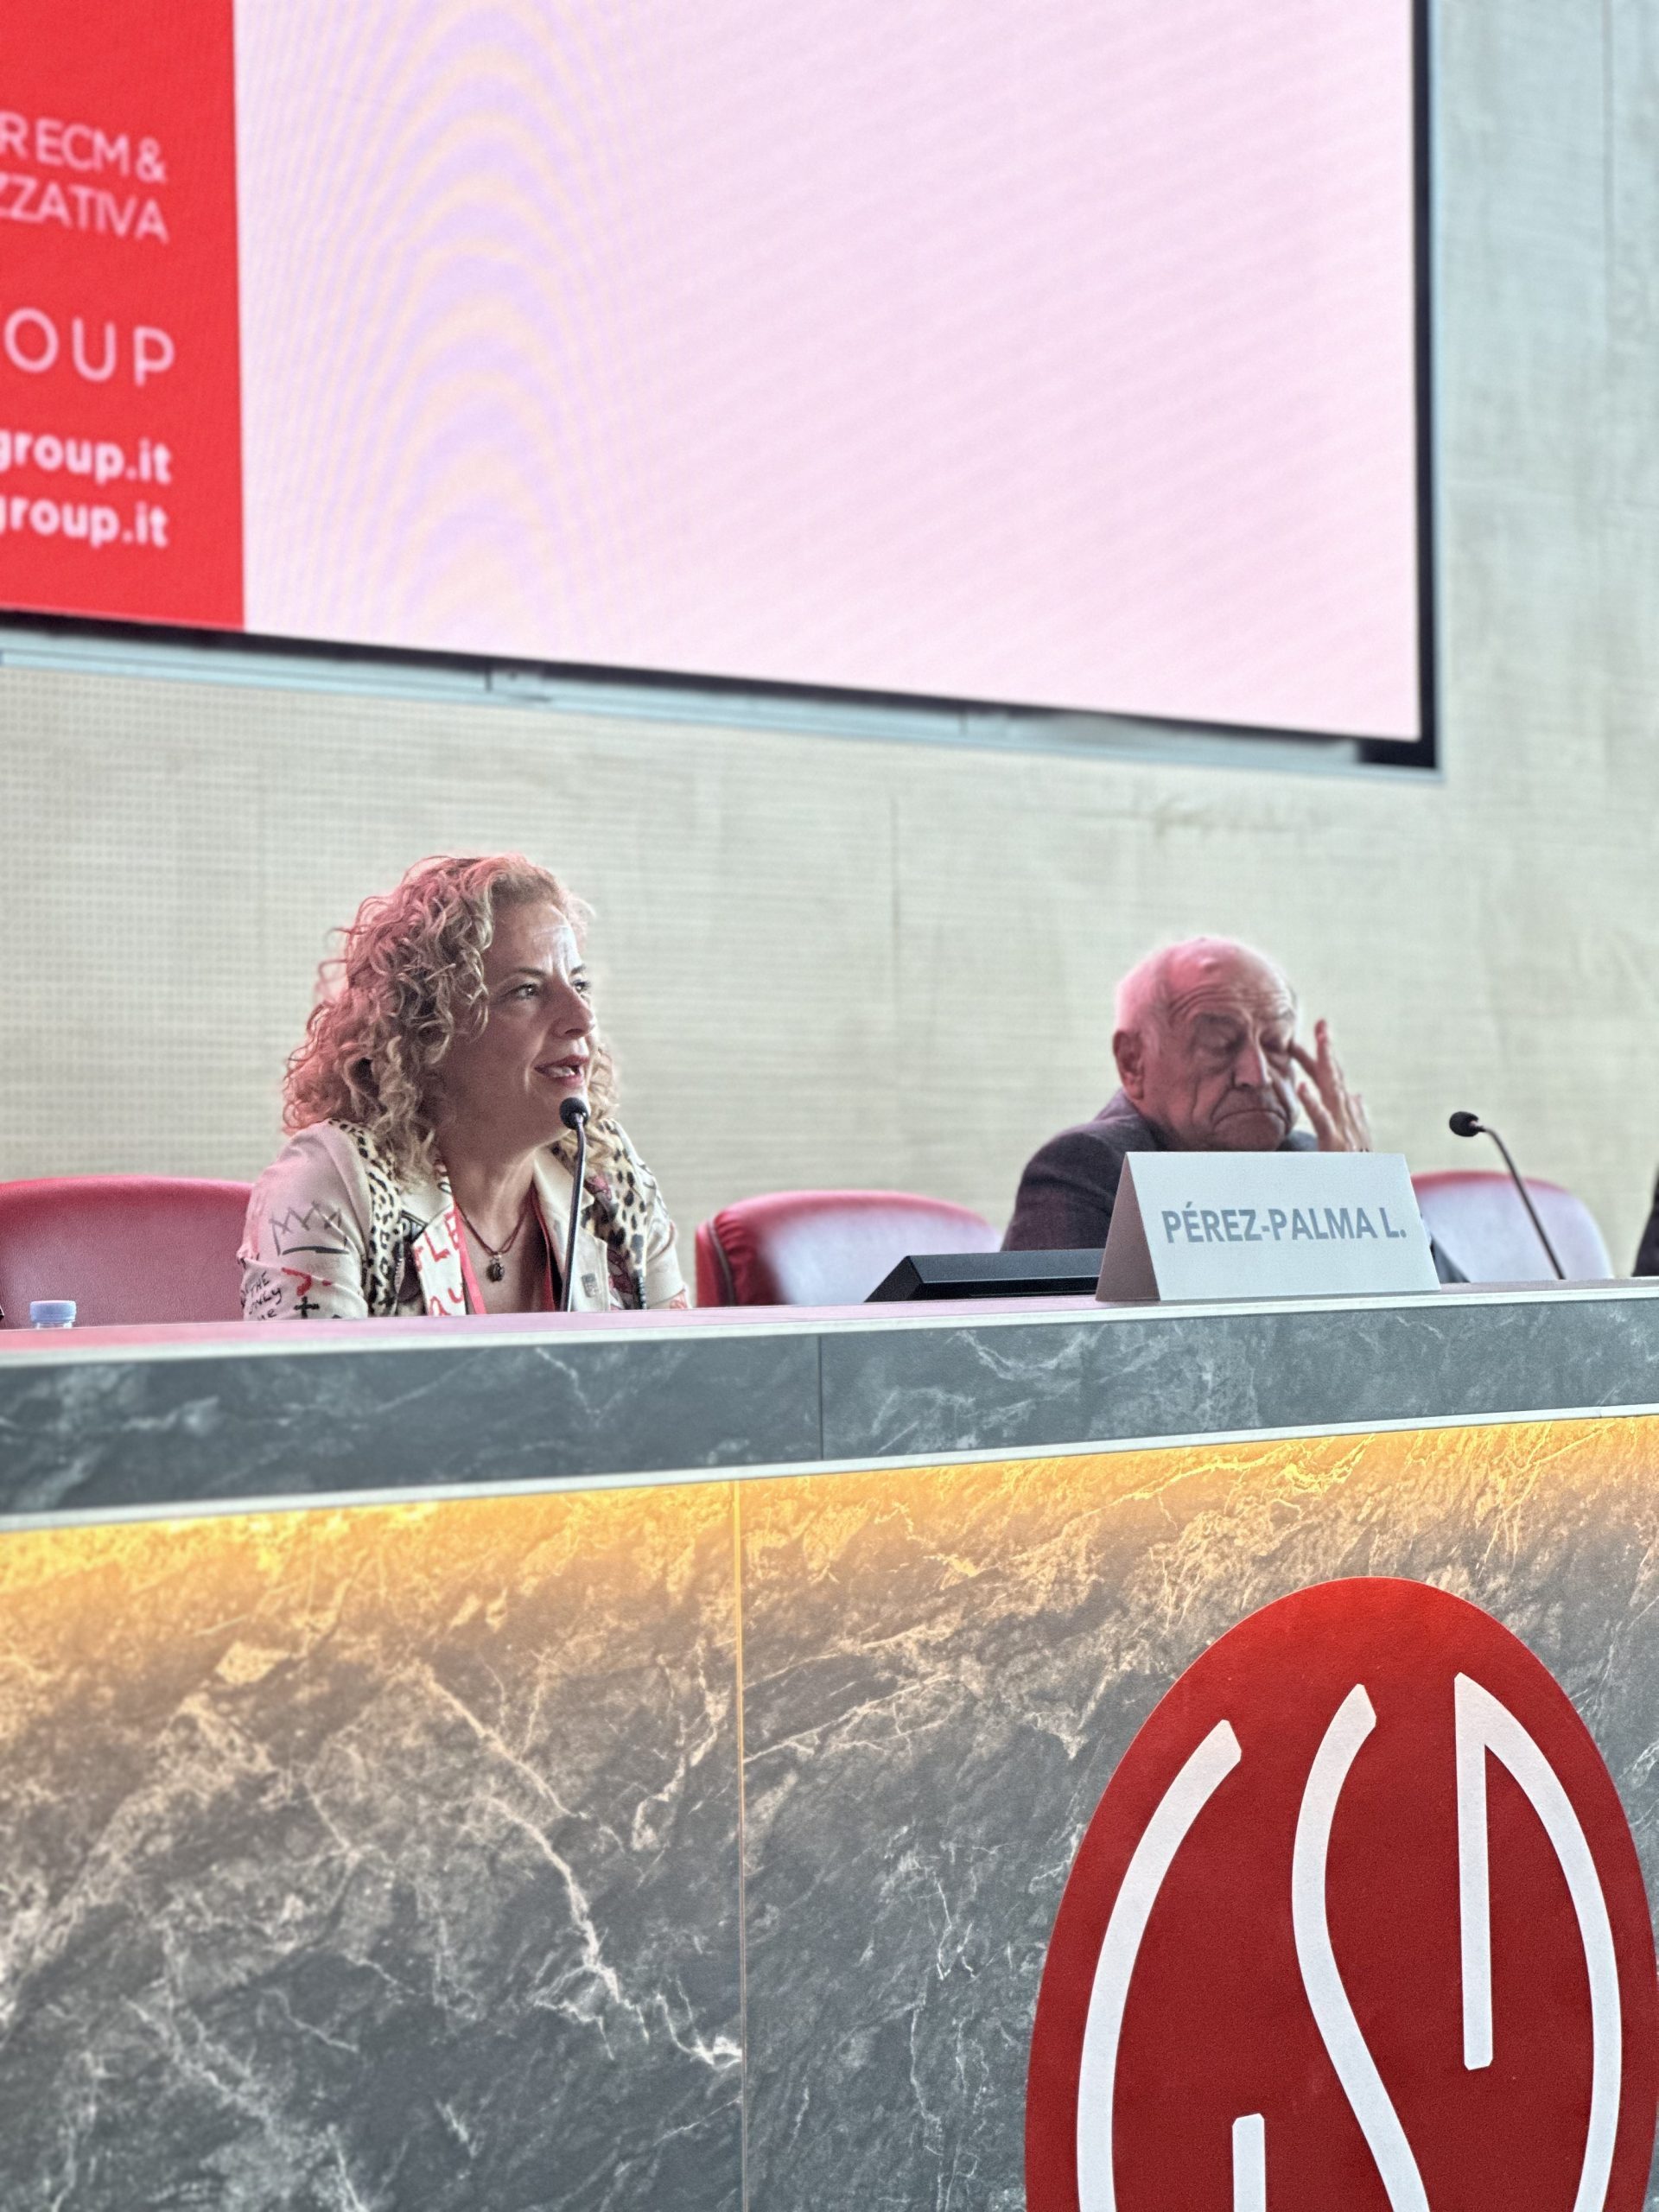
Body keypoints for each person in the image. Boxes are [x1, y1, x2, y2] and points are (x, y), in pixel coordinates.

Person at [241, 854, 687, 1318]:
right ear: (427, 1033)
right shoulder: (332, 1182)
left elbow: (683, 1362)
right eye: (526, 991)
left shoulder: (608, 1174)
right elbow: (316, 1370)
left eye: (580, 984)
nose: (583, 1018)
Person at [1005, 937, 1377, 1251]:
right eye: (1219, 1043)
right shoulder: (1089, 1167)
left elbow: (1409, 1308)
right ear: (1133, 1062)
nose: (1258, 1075)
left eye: (1276, 1043)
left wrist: (1361, 1188)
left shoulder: (1315, 1160)